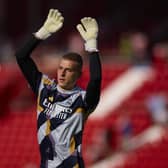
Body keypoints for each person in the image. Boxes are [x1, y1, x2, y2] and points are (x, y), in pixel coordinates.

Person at [15, 9, 101, 168]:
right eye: (61, 68)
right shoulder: (45, 87)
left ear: (78, 75)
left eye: (68, 70)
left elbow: (95, 80)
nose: (62, 72)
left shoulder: (82, 100)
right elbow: (21, 56)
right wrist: (42, 33)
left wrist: (91, 46)